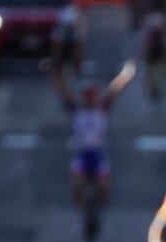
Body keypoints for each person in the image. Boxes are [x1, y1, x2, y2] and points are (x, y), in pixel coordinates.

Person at [55, 60, 137, 224]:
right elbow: (64, 91)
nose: (90, 99)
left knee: (104, 188)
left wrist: (128, 73)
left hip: (98, 154)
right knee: (77, 186)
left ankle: (98, 212)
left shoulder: (102, 109)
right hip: (82, 154)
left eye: (92, 95)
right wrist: (56, 74)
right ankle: (83, 213)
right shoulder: (76, 110)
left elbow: (115, 89)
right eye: (87, 96)